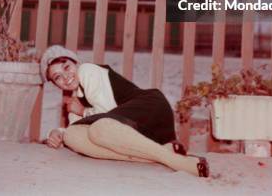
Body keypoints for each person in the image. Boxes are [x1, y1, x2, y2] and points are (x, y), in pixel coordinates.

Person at [40, 45, 209, 178]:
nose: (65, 77)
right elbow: (76, 127)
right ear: (56, 85)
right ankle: (163, 153)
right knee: (73, 136)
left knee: (99, 129)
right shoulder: (75, 98)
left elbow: (108, 115)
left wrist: (83, 111)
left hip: (150, 109)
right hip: (131, 134)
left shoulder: (87, 71)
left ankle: (179, 162)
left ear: (76, 63)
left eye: (66, 67)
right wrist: (57, 133)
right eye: (57, 77)